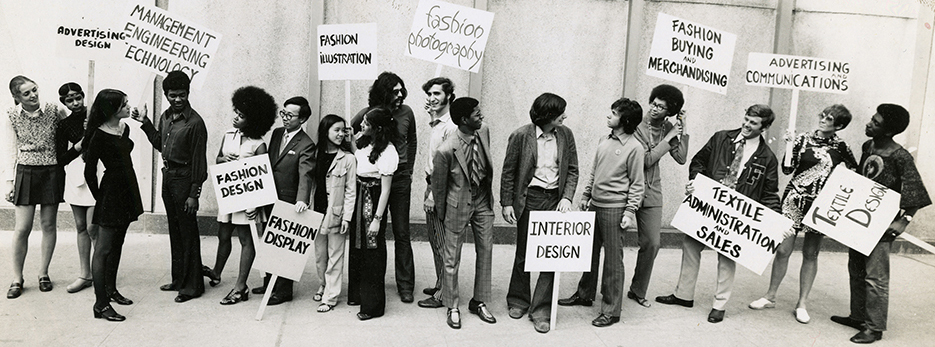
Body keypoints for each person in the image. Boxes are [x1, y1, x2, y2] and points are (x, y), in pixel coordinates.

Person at [655, 104, 781, 324]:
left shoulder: (767, 157)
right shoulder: (721, 138)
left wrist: (777, 221)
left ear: (764, 127)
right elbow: (698, 161)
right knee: (691, 245)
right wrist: (695, 180)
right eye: (746, 119)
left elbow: (770, 193)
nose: (746, 125)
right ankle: (683, 295)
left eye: (753, 123)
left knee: (727, 256)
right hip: (708, 206)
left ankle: (719, 305)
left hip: (736, 216)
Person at [830, 104, 931, 344]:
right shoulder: (869, 146)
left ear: (888, 131)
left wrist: (903, 221)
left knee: (875, 277)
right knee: (856, 269)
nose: (869, 123)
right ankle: (857, 316)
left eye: (875, 122)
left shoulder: (900, 156)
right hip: (860, 219)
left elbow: (916, 192)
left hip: (882, 225)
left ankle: (874, 328)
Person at [748, 105, 858, 324]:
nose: (823, 120)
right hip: (794, 199)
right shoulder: (802, 139)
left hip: (821, 206)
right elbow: (788, 170)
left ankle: (802, 303)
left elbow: (854, 172)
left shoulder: (841, 146)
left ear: (839, 126)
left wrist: (841, 177)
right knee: (783, 249)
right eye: (823, 115)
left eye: (830, 119)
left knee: (811, 253)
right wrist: (789, 148)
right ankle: (770, 295)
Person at [558, 98, 645, 327]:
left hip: (615, 209)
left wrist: (629, 211)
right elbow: (594, 172)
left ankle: (611, 310)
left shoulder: (635, 148)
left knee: (613, 261)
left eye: (614, 113)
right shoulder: (603, 140)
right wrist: (586, 196)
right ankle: (584, 294)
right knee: (589, 253)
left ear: (625, 120)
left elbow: (637, 184)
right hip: (595, 205)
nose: (609, 116)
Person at [502, 93, 579, 333]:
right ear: (547, 116)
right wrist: (506, 203)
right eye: (560, 113)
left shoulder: (566, 135)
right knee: (524, 252)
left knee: (550, 256)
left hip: (555, 200)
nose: (564, 116)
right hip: (530, 199)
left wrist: (566, 197)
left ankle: (542, 310)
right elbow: (508, 172)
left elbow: (574, 169)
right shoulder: (520, 135)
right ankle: (517, 300)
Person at [131, 70, 209, 303]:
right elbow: (160, 144)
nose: (177, 100)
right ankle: (179, 280)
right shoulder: (165, 117)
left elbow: (199, 163)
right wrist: (145, 123)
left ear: (188, 93)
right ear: (165, 95)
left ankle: (193, 286)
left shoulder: (195, 123)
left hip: (185, 179)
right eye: (173, 95)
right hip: (168, 177)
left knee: (188, 231)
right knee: (175, 230)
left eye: (182, 95)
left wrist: (194, 194)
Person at [350, 72, 417, 303]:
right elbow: (352, 130)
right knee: (370, 233)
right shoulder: (370, 114)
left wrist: (408, 170)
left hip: (399, 180)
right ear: (383, 92)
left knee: (402, 232)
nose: (400, 95)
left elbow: (412, 141)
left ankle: (405, 285)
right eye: (395, 91)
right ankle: (369, 282)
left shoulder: (407, 112)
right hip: (373, 181)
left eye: (402, 90)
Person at [430, 97, 497, 329]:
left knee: (486, 251)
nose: (482, 117)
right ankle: (452, 306)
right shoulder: (446, 149)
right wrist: (443, 212)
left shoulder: (483, 131)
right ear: (463, 120)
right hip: (457, 205)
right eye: (477, 114)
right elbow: (438, 187)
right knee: (452, 258)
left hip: (482, 203)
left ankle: (479, 301)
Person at [208, 86, 276, 305]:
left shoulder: (259, 144)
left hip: (248, 202)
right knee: (223, 234)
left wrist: (256, 205)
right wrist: (223, 160)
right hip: (230, 197)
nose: (236, 118)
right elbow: (217, 159)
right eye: (236, 112)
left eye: (242, 116)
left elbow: (263, 178)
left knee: (247, 240)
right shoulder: (228, 135)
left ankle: (240, 286)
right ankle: (217, 272)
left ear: (254, 120)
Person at [3, 75, 68, 299]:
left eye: (34, 90)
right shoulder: (11, 115)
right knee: (22, 228)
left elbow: (71, 130)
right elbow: (11, 149)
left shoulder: (54, 110)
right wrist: (9, 182)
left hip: (51, 171)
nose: (33, 95)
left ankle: (43, 273)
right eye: (26, 93)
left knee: (49, 225)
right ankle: (17, 278)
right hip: (26, 172)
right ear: (16, 97)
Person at [83, 89, 144, 321]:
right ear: (112, 109)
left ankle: (111, 290)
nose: (129, 107)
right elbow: (89, 172)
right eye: (124, 104)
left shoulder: (124, 128)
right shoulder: (98, 135)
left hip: (128, 191)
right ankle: (100, 304)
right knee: (103, 249)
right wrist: (101, 198)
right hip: (111, 193)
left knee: (117, 244)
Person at [250, 96, 317, 305]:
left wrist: (302, 200)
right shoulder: (278, 134)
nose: (285, 118)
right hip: (271, 197)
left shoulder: (306, 144)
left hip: (290, 202)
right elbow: (270, 164)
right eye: (283, 113)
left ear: (303, 119)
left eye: (290, 115)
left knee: (285, 247)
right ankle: (269, 282)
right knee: (270, 242)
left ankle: (283, 290)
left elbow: (305, 174)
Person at [630, 84, 688, 306]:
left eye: (661, 107)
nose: (654, 109)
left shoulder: (669, 127)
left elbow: (681, 158)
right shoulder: (635, 124)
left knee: (652, 243)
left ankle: (637, 290)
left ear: (669, 111)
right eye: (653, 103)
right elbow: (645, 160)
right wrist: (669, 138)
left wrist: (682, 127)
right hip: (629, 189)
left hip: (653, 191)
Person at [348, 107, 398, 320]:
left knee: (373, 250)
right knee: (357, 246)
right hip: (359, 194)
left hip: (374, 197)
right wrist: (352, 140)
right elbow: (359, 160)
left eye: (366, 123)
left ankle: (373, 305)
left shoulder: (388, 152)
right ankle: (357, 294)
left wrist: (377, 219)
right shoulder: (363, 143)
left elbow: (386, 189)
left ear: (377, 128)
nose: (362, 125)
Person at [417, 77, 458, 306]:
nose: (432, 98)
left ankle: (443, 295)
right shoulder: (437, 122)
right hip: (431, 184)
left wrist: (433, 194)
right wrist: (432, 116)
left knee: (443, 243)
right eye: (429, 95)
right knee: (435, 240)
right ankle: (440, 283)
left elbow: (445, 165)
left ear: (448, 96)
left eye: (437, 94)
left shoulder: (450, 126)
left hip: (439, 188)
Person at [56, 82, 100, 294]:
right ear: (64, 102)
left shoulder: (95, 116)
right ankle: (86, 274)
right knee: (81, 226)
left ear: (83, 96)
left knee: (94, 227)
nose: (75, 103)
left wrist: (92, 129)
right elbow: (61, 158)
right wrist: (80, 145)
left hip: (95, 175)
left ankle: (102, 272)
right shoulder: (64, 125)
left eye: (78, 97)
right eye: (69, 100)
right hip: (75, 177)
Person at [312, 114, 356, 313]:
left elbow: (350, 190)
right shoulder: (315, 154)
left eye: (343, 130)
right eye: (336, 130)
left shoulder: (347, 159)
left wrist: (347, 216)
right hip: (316, 212)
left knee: (335, 255)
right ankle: (323, 284)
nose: (341, 134)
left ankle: (331, 297)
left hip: (336, 214)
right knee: (320, 255)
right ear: (325, 131)